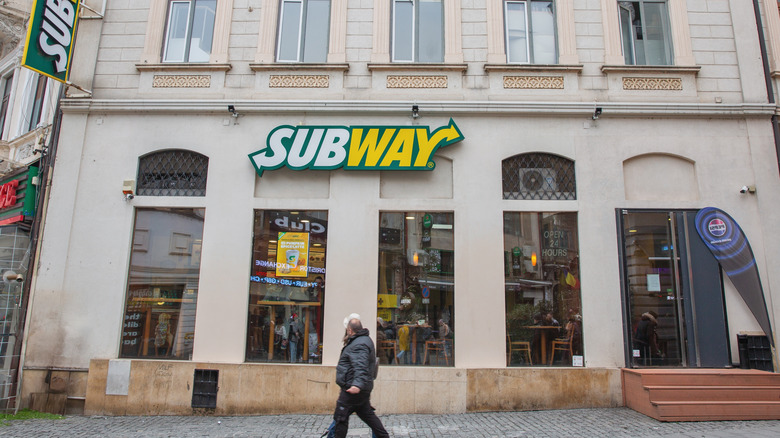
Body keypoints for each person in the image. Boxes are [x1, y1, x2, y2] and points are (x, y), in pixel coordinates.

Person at [331, 315, 389, 438]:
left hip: (352, 388)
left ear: (350, 330)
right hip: (359, 386)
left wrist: (357, 385)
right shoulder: (363, 340)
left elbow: (360, 365)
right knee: (367, 415)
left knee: (340, 417)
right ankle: (383, 436)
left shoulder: (359, 344)